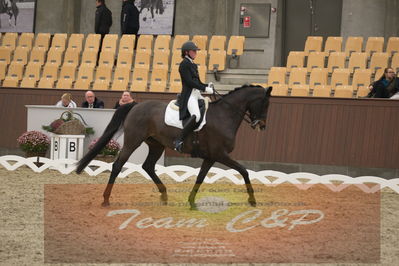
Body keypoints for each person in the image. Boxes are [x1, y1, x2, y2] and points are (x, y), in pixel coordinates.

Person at [173, 41, 214, 152]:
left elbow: (198, 82)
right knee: (195, 115)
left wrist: (207, 85)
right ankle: (179, 140)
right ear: (186, 52)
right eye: (194, 51)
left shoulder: (192, 64)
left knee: (210, 108)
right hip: (189, 95)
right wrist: (205, 89)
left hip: (196, 94)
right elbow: (189, 82)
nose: (196, 53)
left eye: (196, 51)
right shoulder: (184, 64)